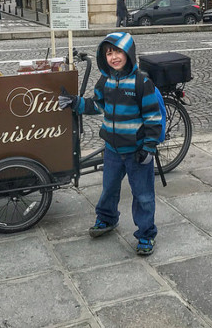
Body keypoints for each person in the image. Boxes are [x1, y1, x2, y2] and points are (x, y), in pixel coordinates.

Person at [58, 32, 162, 256]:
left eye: (117, 52)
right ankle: (107, 219)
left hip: (137, 152)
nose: (113, 57)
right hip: (113, 150)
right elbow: (97, 105)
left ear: (128, 53)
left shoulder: (141, 82)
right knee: (109, 189)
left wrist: (149, 148)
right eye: (108, 53)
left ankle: (146, 234)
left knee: (143, 195)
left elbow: (153, 119)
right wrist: (75, 102)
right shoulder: (105, 80)